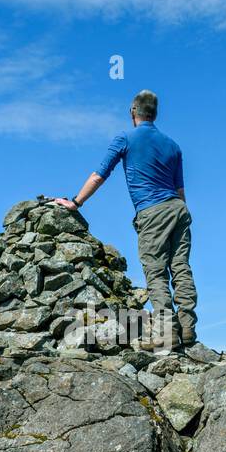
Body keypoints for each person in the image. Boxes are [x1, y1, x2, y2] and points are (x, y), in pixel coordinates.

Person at [54, 89, 200, 353]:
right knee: (181, 267)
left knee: (155, 270)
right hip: (179, 209)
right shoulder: (173, 146)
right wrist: (180, 218)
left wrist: (75, 202)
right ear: (154, 114)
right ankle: (187, 328)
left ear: (133, 111)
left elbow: (99, 175)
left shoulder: (125, 138)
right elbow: (180, 191)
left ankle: (165, 335)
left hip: (152, 210)